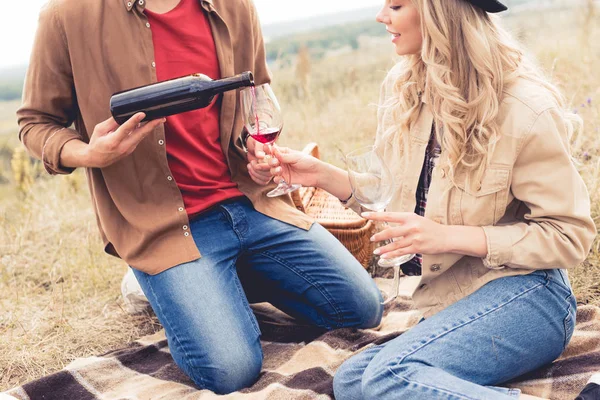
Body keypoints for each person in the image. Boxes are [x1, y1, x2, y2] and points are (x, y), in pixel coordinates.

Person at [16, 0, 384, 394]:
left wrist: (256, 155)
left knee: (363, 308)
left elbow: (252, 102)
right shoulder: (67, 15)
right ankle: (157, 282)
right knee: (232, 369)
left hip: (251, 204)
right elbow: (35, 123)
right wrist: (89, 154)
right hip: (163, 227)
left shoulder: (235, 7)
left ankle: (216, 282)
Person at [249, 0, 597, 398]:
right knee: (351, 382)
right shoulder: (407, 92)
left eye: (396, 5)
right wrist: (321, 175)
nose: (382, 16)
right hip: (454, 300)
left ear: (440, 12)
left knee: (386, 379)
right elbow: (391, 200)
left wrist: (447, 237)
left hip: (531, 296)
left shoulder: (524, 106)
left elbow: (569, 236)